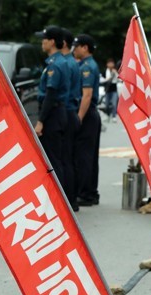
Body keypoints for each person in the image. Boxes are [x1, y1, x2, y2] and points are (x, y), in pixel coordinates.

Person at [35, 25, 69, 184]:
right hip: (57, 112)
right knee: (55, 158)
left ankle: (58, 203)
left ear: (52, 41)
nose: (42, 42)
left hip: (53, 114)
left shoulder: (55, 65)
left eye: (44, 39)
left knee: (53, 161)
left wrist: (41, 121)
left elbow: (50, 95)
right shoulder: (58, 61)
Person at [73, 34, 101, 206]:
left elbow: (87, 95)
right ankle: (90, 191)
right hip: (90, 113)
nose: (74, 49)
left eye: (77, 46)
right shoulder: (85, 65)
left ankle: (85, 193)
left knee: (83, 155)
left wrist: (79, 118)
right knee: (89, 155)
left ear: (85, 47)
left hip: (87, 113)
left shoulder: (87, 67)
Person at [61, 28, 81, 212]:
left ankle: (68, 199)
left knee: (64, 158)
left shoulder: (65, 64)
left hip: (66, 112)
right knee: (69, 158)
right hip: (71, 112)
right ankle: (71, 198)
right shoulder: (71, 63)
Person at [104, 58, 119, 122]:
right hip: (107, 89)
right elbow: (106, 79)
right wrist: (110, 77)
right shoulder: (106, 71)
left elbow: (119, 79)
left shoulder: (115, 71)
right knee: (107, 104)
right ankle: (107, 115)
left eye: (111, 63)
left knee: (114, 103)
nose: (110, 64)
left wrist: (115, 73)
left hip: (114, 89)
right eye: (109, 63)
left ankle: (114, 116)